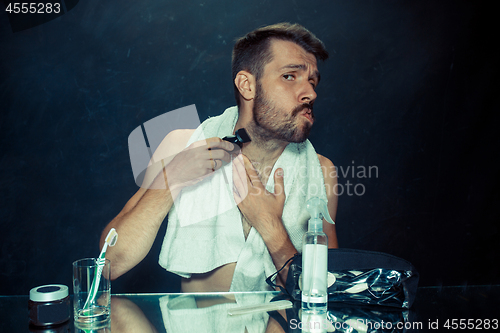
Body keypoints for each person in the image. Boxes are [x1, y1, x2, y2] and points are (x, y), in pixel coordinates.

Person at [100, 22, 339, 293]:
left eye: (312, 81)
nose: (311, 93)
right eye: (289, 77)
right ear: (247, 85)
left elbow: (328, 295)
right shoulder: (182, 145)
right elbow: (111, 263)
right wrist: (172, 179)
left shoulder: (321, 171)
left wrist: (270, 225)